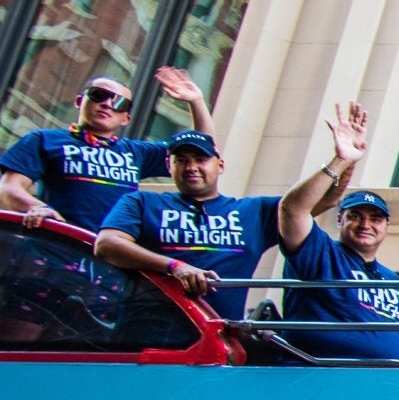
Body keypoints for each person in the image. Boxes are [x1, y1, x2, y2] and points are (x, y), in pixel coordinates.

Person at [94, 121, 351, 322]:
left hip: (218, 339)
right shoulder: (141, 202)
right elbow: (106, 245)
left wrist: (345, 160)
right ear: (168, 166)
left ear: (220, 165)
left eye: (201, 159)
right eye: (181, 160)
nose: (191, 167)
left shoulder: (253, 211)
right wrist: (175, 266)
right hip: (146, 332)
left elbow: (326, 199)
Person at [271, 105, 399, 365]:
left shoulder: (393, 281)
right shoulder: (320, 252)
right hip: (316, 374)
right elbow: (292, 209)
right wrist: (341, 160)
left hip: (379, 380)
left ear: (386, 226)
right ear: (339, 220)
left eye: (375, 218)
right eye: (356, 216)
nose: (366, 224)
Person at [0, 65, 214, 230]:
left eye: (119, 103)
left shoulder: (136, 152)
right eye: (98, 95)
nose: (107, 104)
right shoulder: (44, 140)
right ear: (79, 102)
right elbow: (9, 188)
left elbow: (202, 147)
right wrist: (38, 208)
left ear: (126, 119)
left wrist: (196, 102)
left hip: (110, 256)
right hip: (59, 248)